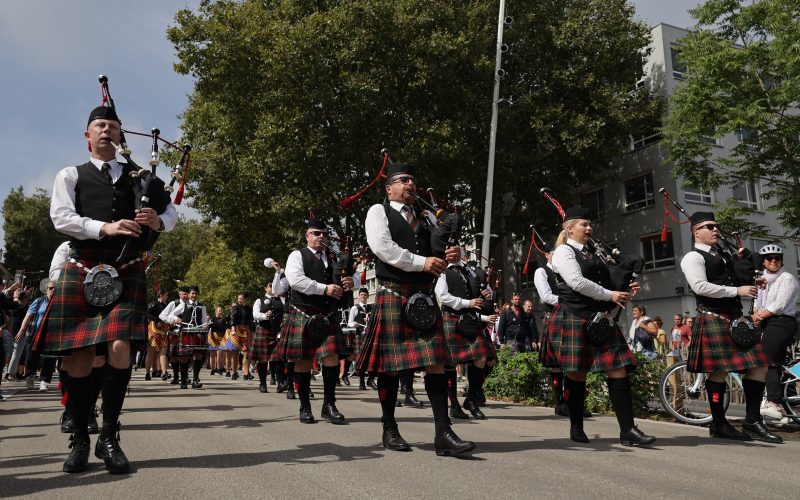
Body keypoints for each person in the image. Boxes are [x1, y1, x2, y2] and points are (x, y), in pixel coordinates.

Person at [31, 104, 177, 474]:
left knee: (118, 348)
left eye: (113, 126)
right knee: (77, 358)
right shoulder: (70, 175)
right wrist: (105, 228)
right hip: (82, 269)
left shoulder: (141, 177)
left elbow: (172, 213)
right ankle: (79, 436)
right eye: (100, 125)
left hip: (125, 269)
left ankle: (109, 436)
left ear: (120, 135)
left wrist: (157, 220)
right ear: (88, 136)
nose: (106, 131)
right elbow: (61, 218)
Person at [356, 162, 474, 456]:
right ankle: (389, 428)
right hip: (394, 294)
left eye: (413, 181)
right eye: (404, 180)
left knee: (436, 363)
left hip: (423, 297)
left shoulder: (425, 220)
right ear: (390, 188)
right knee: (391, 368)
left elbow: (437, 256)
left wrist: (451, 255)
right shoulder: (378, 212)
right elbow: (383, 248)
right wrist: (423, 263)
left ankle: (443, 434)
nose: (411, 184)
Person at [550, 207, 655, 446]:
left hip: (600, 318)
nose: (589, 228)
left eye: (590, 224)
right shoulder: (563, 252)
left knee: (618, 368)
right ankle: (576, 425)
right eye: (584, 224)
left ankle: (628, 430)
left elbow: (607, 280)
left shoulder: (593, 253)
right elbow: (576, 282)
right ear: (570, 228)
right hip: (576, 316)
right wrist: (610, 295)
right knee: (577, 373)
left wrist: (625, 287)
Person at [680, 211, 779, 442]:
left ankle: (753, 421)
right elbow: (700, 287)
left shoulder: (723, 254)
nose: (716, 230)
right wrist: (738, 291)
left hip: (736, 319)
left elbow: (732, 279)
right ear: (696, 232)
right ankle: (719, 423)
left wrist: (752, 281)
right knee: (719, 372)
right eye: (709, 226)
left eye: (716, 226)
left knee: (759, 366)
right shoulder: (693, 258)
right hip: (714, 317)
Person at [272, 219, 352, 424]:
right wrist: (324, 288)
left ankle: (329, 405)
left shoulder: (333, 258)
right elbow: (296, 281)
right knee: (304, 361)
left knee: (332, 358)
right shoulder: (297, 255)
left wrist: (351, 282)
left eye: (324, 234)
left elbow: (350, 279)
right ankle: (304, 407)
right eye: (316, 233)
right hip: (304, 313)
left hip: (328, 315)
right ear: (307, 236)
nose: (321, 237)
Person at [435, 248, 497, 419]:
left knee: (482, 358)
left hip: (470, 319)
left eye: (458, 250)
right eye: (451, 250)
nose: (455, 253)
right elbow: (443, 296)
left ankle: (471, 399)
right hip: (452, 317)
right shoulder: (442, 271)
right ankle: (454, 405)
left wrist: (487, 295)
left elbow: (482, 290)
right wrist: (467, 303)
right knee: (451, 364)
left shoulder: (470, 270)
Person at [752, 244, 798, 421]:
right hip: (766, 321)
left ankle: (774, 403)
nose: (773, 261)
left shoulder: (787, 278)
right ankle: (784, 407)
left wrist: (760, 316)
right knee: (766, 361)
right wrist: (756, 313)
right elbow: (757, 300)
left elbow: (779, 305)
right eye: (769, 258)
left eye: (777, 258)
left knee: (766, 359)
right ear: (763, 261)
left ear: (781, 261)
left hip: (782, 322)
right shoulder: (761, 279)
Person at [161, 285, 208, 389]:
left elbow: (204, 320)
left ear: (198, 294)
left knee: (198, 355)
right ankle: (183, 380)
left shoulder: (202, 306)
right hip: (185, 332)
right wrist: (176, 319)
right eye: (192, 293)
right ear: (189, 294)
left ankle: (195, 380)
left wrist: (205, 324)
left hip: (197, 333)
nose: (194, 295)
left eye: (196, 293)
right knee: (184, 357)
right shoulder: (183, 305)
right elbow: (170, 315)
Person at [252, 282, 283, 392]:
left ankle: (280, 383)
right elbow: (255, 315)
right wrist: (265, 315)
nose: (272, 287)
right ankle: (263, 384)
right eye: (270, 286)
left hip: (276, 332)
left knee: (278, 358)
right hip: (263, 330)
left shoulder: (281, 300)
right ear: (265, 288)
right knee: (262, 360)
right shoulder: (259, 300)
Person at [160, 286, 189, 384]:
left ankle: (184, 376)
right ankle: (176, 377)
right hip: (174, 332)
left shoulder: (191, 304)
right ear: (180, 294)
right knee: (174, 356)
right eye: (183, 294)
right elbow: (162, 315)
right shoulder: (174, 303)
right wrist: (173, 320)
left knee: (185, 355)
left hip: (186, 333)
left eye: (187, 294)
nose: (185, 296)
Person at [348, 288, 374, 390]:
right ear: (358, 296)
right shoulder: (355, 308)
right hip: (360, 335)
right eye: (361, 294)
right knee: (361, 359)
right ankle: (361, 381)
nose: (363, 296)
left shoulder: (372, 307)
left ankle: (370, 379)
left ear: (367, 296)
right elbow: (349, 322)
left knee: (371, 358)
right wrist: (354, 324)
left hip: (370, 336)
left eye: (365, 295)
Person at [145, 289, 170, 381]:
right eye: (166, 295)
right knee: (150, 352)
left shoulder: (167, 306)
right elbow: (147, 313)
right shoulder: (154, 304)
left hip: (163, 330)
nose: (167, 297)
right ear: (161, 295)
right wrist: (156, 320)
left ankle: (164, 372)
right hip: (153, 330)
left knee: (163, 351)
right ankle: (147, 372)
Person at [208, 306, 229, 375]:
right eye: (219, 311)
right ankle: (213, 369)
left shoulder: (224, 319)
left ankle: (219, 368)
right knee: (212, 354)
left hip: (221, 337)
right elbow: (208, 327)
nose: (220, 312)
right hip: (213, 337)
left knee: (219, 352)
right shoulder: (212, 318)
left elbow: (226, 327)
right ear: (215, 311)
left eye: (221, 311)